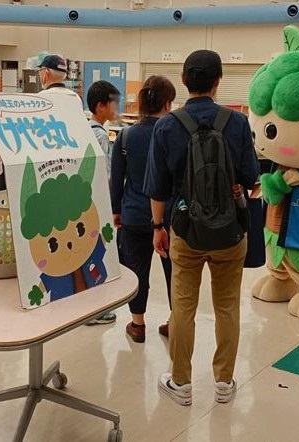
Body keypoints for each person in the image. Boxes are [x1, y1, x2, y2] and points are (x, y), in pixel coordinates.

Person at [143, 50, 259, 405]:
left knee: (183, 307)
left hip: (186, 230)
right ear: (218, 82)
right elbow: (252, 179)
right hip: (230, 232)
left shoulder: (166, 125)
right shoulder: (237, 123)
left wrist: (158, 226)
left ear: (183, 81)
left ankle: (181, 382)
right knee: (227, 307)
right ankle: (224, 382)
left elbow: (157, 188)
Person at [111, 75, 175, 343]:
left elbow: (117, 179)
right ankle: (175, 321)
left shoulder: (126, 136)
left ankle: (137, 324)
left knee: (137, 271)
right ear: (167, 103)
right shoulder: (174, 134)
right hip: (170, 216)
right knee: (175, 272)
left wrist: (117, 210)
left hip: (134, 215)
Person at [84, 80, 121, 325]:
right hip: (98, 204)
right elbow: (105, 175)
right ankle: (95, 311)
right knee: (97, 255)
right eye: (113, 103)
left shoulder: (84, 130)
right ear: (100, 106)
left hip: (85, 203)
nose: (116, 108)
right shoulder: (100, 136)